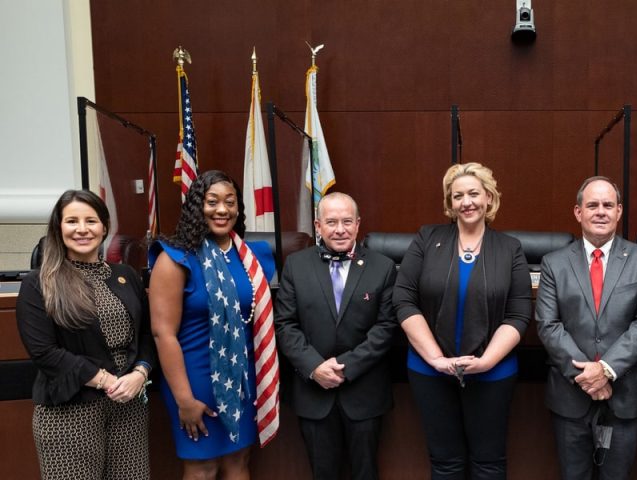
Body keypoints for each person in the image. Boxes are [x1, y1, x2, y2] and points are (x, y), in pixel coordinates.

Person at [393, 162, 532, 479]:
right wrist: (437, 359)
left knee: (489, 463)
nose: (466, 202)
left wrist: (486, 362)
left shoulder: (510, 248)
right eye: (458, 196)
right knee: (445, 463)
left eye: (473, 193)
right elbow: (403, 299)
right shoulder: (428, 238)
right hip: (429, 371)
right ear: (450, 203)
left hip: (493, 373)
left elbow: (519, 312)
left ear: (488, 198)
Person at [149, 170, 280, 479]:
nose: (222, 210)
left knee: (239, 459)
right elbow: (162, 333)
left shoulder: (250, 256)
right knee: (202, 466)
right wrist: (184, 399)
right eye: (212, 202)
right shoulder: (176, 258)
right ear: (197, 206)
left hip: (243, 377)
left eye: (230, 202)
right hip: (194, 378)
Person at [16, 189, 155, 479]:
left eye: (91, 221)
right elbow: (45, 352)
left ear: (104, 226)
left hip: (127, 407)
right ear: (58, 227)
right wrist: (105, 380)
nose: (82, 229)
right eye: (72, 221)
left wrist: (140, 374)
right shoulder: (39, 284)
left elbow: (145, 336)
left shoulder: (126, 275)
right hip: (70, 412)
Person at [536, 176, 637, 480]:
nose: (600, 211)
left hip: (625, 392)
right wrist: (587, 376)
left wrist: (605, 369)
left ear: (619, 211)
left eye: (608, 205)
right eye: (592, 205)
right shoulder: (554, 263)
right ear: (578, 212)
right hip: (570, 393)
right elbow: (548, 324)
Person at [274, 192, 397, 480]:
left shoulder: (383, 267)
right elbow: (285, 324)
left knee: (366, 473)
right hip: (314, 392)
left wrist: (347, 367)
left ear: (357, 224)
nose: (339, 229)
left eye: (346, 221)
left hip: (364, 391)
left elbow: (386, 327)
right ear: (318, 226)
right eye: (331, 222)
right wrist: (314, 367)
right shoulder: (295, 265)